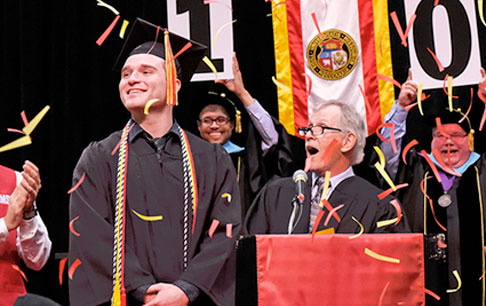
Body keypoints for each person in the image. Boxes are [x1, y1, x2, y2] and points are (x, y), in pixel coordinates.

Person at [68, 18, 241, 306]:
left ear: (174, 84)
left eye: (146, 71)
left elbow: (226, 231)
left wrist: (186, 288)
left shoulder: (211, 158)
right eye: (126, 74)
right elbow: (91, 233)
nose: (132, 79)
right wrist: (141, 288)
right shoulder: (99, 157)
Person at [379, 68, 486, 305]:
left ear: (469, 139)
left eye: (457, 134)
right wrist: (401, 108)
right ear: (431, 139)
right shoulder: (415, 167)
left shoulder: (482, 170)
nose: (448, 141)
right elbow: (385, 157)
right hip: (422, 283)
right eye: (440, 135)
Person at [245, 101, 410, 235]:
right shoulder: (274, 194)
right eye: (308, 129)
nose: (309, 135)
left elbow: (390, 268)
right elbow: (251, 258)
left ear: (347, 142)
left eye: (320, 129)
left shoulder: (380, 206)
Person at [197, 54, 279, 214]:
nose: (214, 126)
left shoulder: (246, 159)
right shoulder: (190, 160)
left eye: (221, 119)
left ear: (233, 125)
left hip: (240, 232)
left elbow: (273, 138)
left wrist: (241, 92)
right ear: (198, 126)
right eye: (207, 120)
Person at [0, 161, 53, 305]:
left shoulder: (16, 180)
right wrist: (5, 224)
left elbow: (38, 260)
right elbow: (7, 223)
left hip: (12, 299)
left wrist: (28, 213)